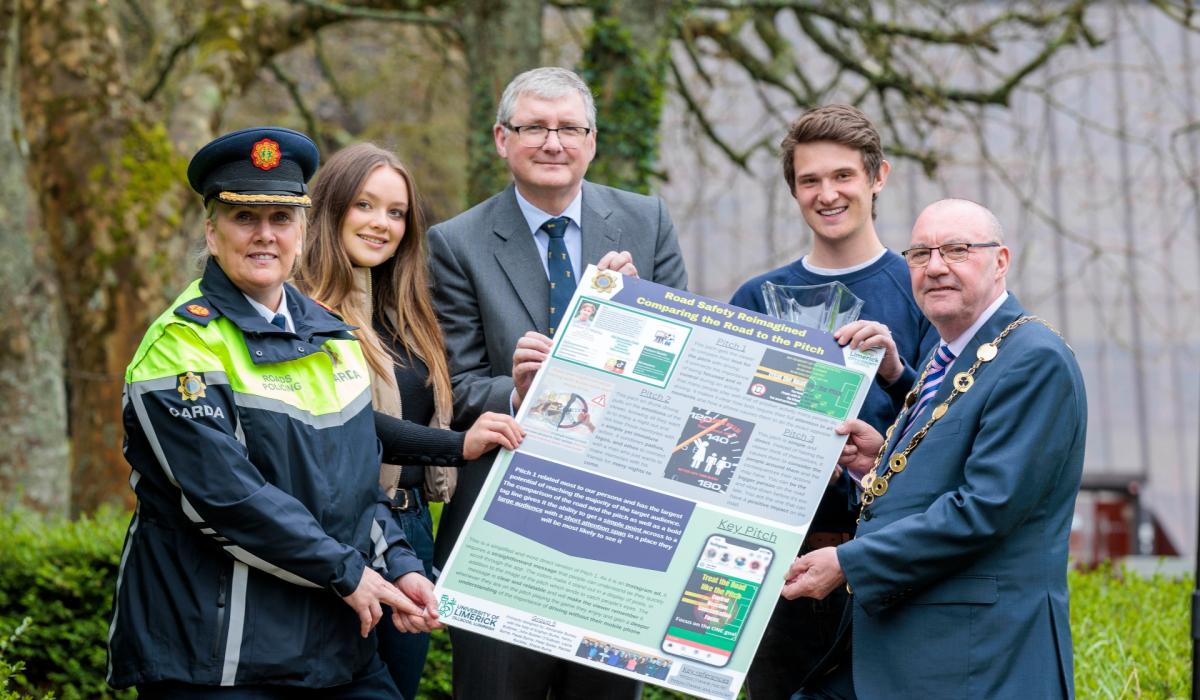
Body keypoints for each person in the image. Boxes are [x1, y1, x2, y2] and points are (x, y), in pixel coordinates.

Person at [106, 127, 518, 698]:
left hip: (336, 649)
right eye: (244, 218)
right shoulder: (180, 346)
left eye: (281, 218)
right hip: (221, 659)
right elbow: (229, 500)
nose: (265, 236)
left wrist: (400, 565)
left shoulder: (332, 337)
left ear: (302, 229)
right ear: (211, 230)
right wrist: (352, 573)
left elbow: (359, 481)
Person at [427, 66, 688, 699]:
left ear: (591, 141)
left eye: (569, 127)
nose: (553, 142)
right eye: (534, 127)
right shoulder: (455, 243)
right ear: (501, 139)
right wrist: (518, 393)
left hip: (615, 520)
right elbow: (453, 387)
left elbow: (685, 368)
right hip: (501, 525)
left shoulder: (646, 222)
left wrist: (636, 313)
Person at [783, 198, 1087, 699]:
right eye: (921, 254)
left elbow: (985, 508)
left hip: (976, 660)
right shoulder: (948, 355)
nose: (937, 267)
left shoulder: (1033, 358)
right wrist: (874, 463)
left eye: (957, 250)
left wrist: (849, 562)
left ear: (1001, 261)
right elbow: (940, 476)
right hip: (907, 649)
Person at [295, 142, 525, 700]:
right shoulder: (300, 310)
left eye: (396, 212)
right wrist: (455, 445)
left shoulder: (408, 311)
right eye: (365, 206)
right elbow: (352, 423)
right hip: (343, 533)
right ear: (330, 209)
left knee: (397, 687)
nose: (382, 224)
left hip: (414, 532)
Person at [728, 104, 937, 699]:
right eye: (810, 180)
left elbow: (955, 425)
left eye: (843, 175)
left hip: (886, 564)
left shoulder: (921, 288)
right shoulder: (757, 297)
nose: (828, 193)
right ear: (793, 190)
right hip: (778, 567)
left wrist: (897, 374)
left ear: (878, 177)